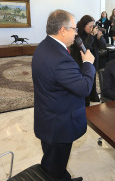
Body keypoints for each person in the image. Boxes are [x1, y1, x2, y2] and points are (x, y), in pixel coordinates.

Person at [32, 9, 95, 181]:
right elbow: (84, 88)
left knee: (54, 162)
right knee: (54, 169)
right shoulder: (59, 58)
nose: (76, 33)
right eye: (74, 29)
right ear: (62, 30)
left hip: (48, 118)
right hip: (59, 125)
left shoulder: (44, 46)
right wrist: (88, 64)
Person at [70, 15, 104, 106]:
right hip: (82, 64)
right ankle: (86, 102)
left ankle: (93, 96)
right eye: (90, 26)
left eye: (93, 26)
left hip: (93, 62)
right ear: (83, 26)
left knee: (92, 81)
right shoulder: (77, 36)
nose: (92, 28)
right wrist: (91, 36)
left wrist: (99, 37)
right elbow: (84, 48)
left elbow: (103, 46)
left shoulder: (93, 35)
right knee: (86, 83)